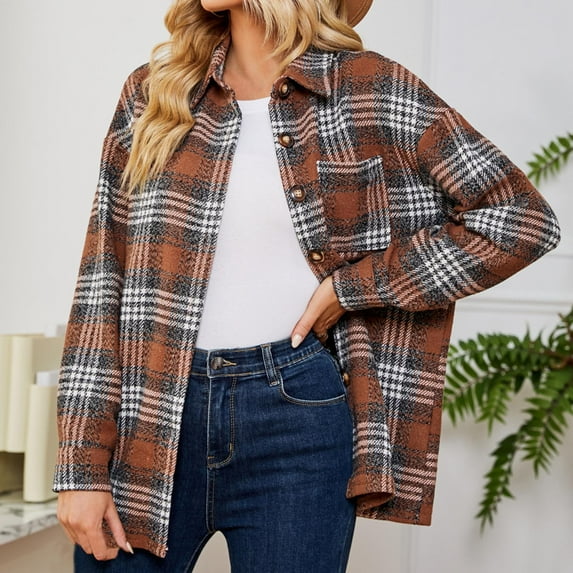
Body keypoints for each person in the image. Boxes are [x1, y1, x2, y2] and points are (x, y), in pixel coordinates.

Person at [53, 0, 560, 571]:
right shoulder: (153, 93)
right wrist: (80, 465)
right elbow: (102, 280)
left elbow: (521, 220)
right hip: (149, 413)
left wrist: (355, 287)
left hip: (298, 415)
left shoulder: (371, 88)